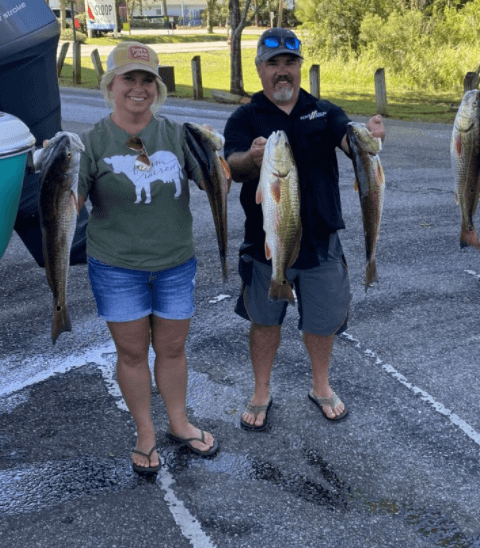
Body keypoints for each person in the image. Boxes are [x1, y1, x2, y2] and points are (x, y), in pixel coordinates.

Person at [223, 28, 385, 431]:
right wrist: (252, 158)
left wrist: (370, 138)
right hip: (268, 242)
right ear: (260, 69)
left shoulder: (325, 111)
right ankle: (262, 390)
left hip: (322, 242)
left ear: (300, 68)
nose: (282, 72)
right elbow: (233, 165)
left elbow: (354, 147)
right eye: (273, 63)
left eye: (289, 63)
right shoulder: (245, 116)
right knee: (265, 320)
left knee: (322, 321)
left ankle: (321, 385)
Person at [76, 40, 218, 474]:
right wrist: (50, 164)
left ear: (156, 87)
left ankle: (178, 422)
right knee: (133, 353)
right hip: (116, 268)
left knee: (172, 350)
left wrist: (248, 160)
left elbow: (214, 178)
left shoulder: (177, 135)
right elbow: (69, 202)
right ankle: (146, 433)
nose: (138, 88)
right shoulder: (90, 143)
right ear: (111, 85)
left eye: (147, 80)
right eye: (128, 79)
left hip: (175, 263)